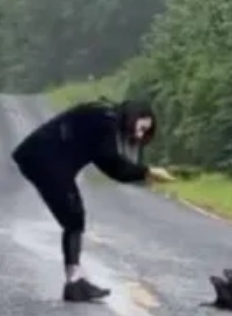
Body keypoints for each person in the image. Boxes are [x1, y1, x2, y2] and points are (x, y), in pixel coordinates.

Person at [11, 97, 175, 302]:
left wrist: (145, 174)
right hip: (44, 159)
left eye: (143, 133)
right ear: (134, 115)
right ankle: (74, 284)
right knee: (73, 217)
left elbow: (112, 167)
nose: (138, 134)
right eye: (141, 127)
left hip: (41, 158)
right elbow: (112, 162)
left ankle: (75, 281)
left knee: (74, 217)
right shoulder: (105, 120)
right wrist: (147, 171)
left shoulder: (103, 119)